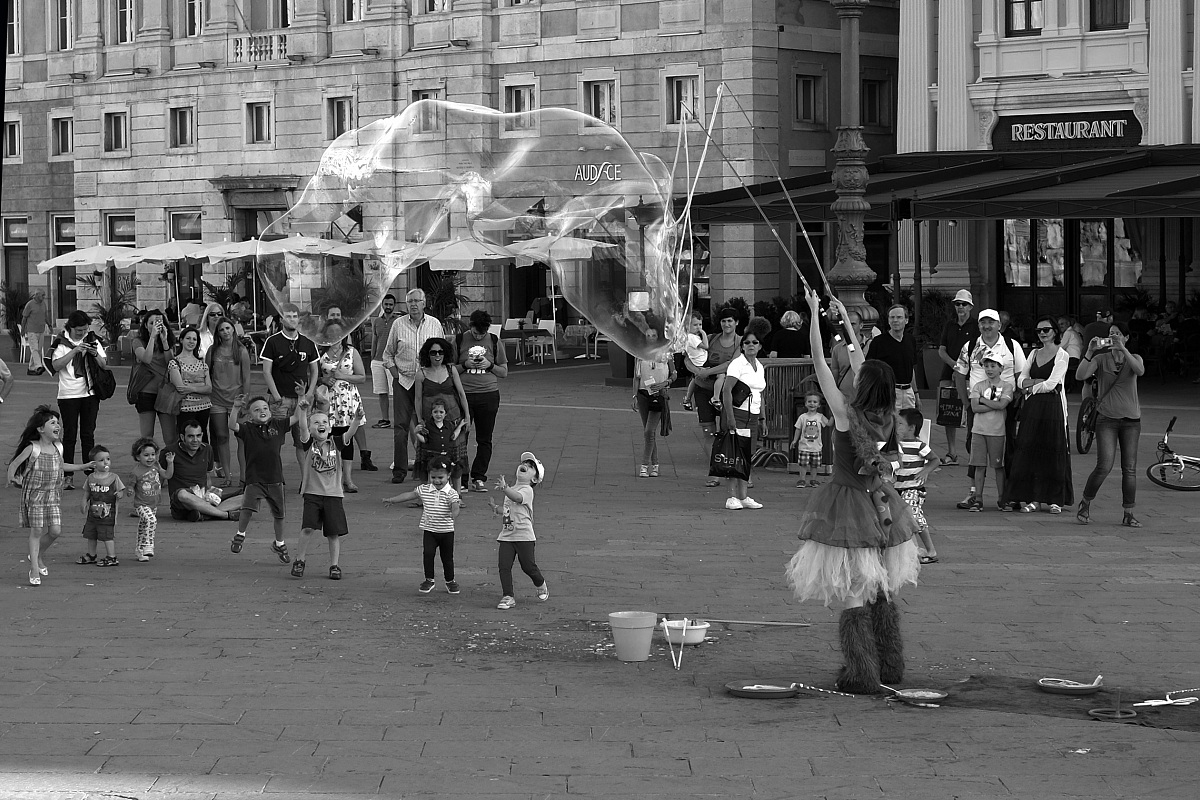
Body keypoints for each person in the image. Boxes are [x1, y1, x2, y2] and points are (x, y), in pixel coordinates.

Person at [785, 287, 920, 694]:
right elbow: (863, 364)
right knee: (880, 587)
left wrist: (813, 314)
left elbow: (819, 363)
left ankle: (861, 672)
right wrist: (844, 318)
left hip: (848, 506)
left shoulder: (845, 416)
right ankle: (890, 662)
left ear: (864, 386)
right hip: (882, 504)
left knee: (854, 592)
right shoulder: (887, 415)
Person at [8, 405, 96, 586]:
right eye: (52, 423)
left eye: (58, 423)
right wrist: (12, 478)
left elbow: (61, 466)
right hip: (35, 495)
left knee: (55, 531)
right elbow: (14, 464)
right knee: (37, 531)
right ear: (40, 429)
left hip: (53, 495)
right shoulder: (33, 448)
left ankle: (38, 554)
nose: (57, 426)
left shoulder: (58, 447)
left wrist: (82, 466)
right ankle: (34, 568)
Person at [953, 308, 1026, 511]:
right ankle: (974, 494)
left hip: (1007, 407)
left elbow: (1021, 374)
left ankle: (1009, 494)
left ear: (999, 325)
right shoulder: (970, 346)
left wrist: (1017, 399)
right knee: (974, 449)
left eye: (991, 322)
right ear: (978, 326)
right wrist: (966, 404)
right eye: (983, 323)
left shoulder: (1012, 345)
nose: (987, 326)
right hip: (976, 406)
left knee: (1007, 449)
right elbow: (959, 374)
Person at [1076, 322, 1145, 528]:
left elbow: (1139, 371)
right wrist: (1089, 351)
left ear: (1126, 337)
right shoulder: (1100, 358)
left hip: (1131, 420)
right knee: (1104, 465)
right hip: (1107, 419)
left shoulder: (1135, 358)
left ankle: (1128, 512)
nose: (1113, 337)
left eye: (1117, 334)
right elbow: (1080, 375)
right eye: (1110, 334)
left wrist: (1123, 349)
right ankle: (1085, 502)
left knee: (1130, 469)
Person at [1006, 317, 1073, 515]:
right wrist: (1035, 383)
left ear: (1054, 332)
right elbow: (1020, 380)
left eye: (1046, 329)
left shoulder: (1062, 355)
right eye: (1038, 330)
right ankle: (1033, 498)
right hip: (1032, 408)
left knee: (1053, 449)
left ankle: (1055, 499)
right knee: (1030, 449)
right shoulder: (1034, 353)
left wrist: (1031, 386)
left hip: (1053, 408)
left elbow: (1052, 384)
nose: (1042, 333)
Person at [290, 398, 361, 581]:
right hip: (312, 494)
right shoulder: (308, 444)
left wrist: (356, 420)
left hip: (333, 495)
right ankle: (300, 560)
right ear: (312, 429)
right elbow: (303, 429)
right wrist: (304, 412)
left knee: (333, 533)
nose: (321, 425)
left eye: (324, 422)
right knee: (307, 528)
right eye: (316, 422)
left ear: (329, 428)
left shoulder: (336, 443)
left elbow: (350, 433)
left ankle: (334, 565)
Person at [228, 394, 303, 562]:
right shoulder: (247, 429)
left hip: (275, 478)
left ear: (270, 411)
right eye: (256, 410)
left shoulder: (278, 424)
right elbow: (232, 425)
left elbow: (297, 417)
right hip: (254, 478)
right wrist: (235, 407)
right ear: (249, 415)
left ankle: (280, 542)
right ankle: (240, 534)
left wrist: (301, 397)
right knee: (247, 508)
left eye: (265, 408)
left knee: (279, 514)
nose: (261, 411)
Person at [383, 288, 445, 484]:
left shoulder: (434, 324)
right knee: (401, 426)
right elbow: (387, 354)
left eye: (417, 301)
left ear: (424, 303)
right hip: (403, 380)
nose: (414, 305)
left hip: (427, 381)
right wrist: (395, 375)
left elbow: (442, 351)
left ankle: (428, 467)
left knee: (428, 424)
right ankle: (399, 470)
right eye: (410, 301)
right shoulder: (398, 325)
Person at [384, 455, 463, 595]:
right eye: (433, 477)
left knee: (447, 558)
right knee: (428, 554)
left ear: (448, 476)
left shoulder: (451, 493)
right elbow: (409, 495)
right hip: (430, 530)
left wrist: (453, 514)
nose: (437, 481)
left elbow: (455, 506)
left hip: (446, 531)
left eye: (440, 478)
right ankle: (429, 579)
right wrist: (392, 500)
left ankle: (450, 581)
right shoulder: (424, 489)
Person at [49, 310, 107, 491]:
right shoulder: (61, 342)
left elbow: (104, 364)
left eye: (84, 329)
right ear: (70, 328)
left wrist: (94, 353)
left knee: (88, 434)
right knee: (70, 435)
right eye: (78, 330)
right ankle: (67, 475)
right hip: (68, 395)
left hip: (89, 394)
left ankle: (91, 474)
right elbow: (56, 365)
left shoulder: (91, 339)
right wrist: (74, 351)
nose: (82, 333)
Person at [259, 302, 320, 468]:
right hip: (280, 399)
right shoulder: (272, 342)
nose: (292, 320)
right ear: (281, 319)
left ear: (299, 319)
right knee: (275, 441)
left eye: (295, 316)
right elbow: (266, 371)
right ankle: (275, 477)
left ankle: (306, 480)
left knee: (303, 441)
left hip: (302, 400)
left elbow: (314, 370)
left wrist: (310, 392)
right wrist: (276, 395)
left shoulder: (308, 342)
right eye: (288, 316)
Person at [456, 309, 508, 493]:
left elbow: (504, 372)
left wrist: (490, 365)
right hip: (464, 395)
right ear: (470, 327)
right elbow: (450, 369)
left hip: (488, 394)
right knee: (461, 437)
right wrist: (465, 365)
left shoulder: (494, 341)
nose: (479, 337)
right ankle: (461, 478)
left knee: (485, 439)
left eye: (482, 333)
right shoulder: (460, 340)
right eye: (476, 333)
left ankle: (479, 477)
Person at [489, 451, 549, 610]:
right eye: (524, 464)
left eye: (530, 467)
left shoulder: (527, 490)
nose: (524, 466)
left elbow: (517, 498)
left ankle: (540, 583)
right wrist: (497, 509)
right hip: (507, 536)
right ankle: (508, 596)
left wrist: (505, 488)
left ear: (534, 479)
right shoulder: (513, 489)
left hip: (524, 537)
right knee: (504, 566)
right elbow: (510, 509)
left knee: (528, 566)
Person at [692, 307, 742, 488]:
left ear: (736, 322)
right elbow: (689, 356)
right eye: (723, 321)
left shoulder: (740, 342)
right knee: (708, 433)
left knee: (728, 432)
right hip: (704, 390)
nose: (726, 324)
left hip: (728, 392)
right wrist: (697, 372)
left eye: (730, 321)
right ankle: (715, 472)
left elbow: (732, 364)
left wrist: (708, 372)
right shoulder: (710, 339)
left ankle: (734, 470)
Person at [318, 320, 369, 492]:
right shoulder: (320, 353)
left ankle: (347, 478)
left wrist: (342, 376)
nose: (335, 337)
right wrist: (323, 379)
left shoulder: (351, 352)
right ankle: (333, 477)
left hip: (347, 399)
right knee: (330, 437)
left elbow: (362, 377)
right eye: (331, 333)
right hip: (328, 400)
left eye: (339, 333)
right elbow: (313, 376)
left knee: (347, 437)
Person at [720, 328, 767, 510]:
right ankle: (731, 496)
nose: (751, 346)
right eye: (747, 343)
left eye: (754, 342)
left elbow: (760, 393)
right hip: (738, 413)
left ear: (760, 346)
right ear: (742, 346)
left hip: (753, 415)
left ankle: (743, 495)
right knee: (734, 456)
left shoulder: (759, 366)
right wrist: (730, 417)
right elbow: (726, 390)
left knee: (746, 456)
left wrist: (762, 418)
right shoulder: (737, 364)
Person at [412, 336, 469, 484]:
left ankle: (457, 494)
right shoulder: (421, 373)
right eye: (433, 352)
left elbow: (462, 394)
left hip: (453, 418)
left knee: (456, 458)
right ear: (427, 354)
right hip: (431, 420)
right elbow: (418, 399)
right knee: (428, 456)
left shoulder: (451, 370)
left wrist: (467, 416)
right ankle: (427, 493)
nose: (437, 355)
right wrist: (419, 419)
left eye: (440, 352)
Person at [161, 420, 242, 522]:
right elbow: (160, 477)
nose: (195, 440)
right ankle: (224, 515)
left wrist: (211, 493)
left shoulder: (207, 449)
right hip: (183, 502)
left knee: (249, 496)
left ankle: (204, 513)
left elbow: (207, 476)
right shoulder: (169, 451)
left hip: (204, 498)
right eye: (191, 436)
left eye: (198, 436)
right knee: (182, 494)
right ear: (182, 437)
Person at [205, 318, 252, 487]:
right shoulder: (213, 351)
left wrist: (245, 400)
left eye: (227, 328)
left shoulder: (241, 351)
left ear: (233, 329)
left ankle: (245, 476)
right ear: (217, 333)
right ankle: (227, 475)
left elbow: (247, 377)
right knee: (222, 437)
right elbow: (206, 373)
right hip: (217, 399)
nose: (225, 332)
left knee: (241, 438)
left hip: (237, 400)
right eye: (221, 329)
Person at [967, 354, 1013, 512]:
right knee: (979, 465)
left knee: (999, 466)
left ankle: (1002, 498)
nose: (989, 369)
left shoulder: (1007, 386)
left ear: (1001, 368)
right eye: (986, 366)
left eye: (993, 366)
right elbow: (974, 407)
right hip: (979, 430)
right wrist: (995, 404)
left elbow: (1002, 405)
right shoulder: (978, 385)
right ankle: (978, 498)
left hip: (997, 431)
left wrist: (983, 400)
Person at [936, 290, 978, 465]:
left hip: (969, 374)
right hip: (949, 372)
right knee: (948, 412)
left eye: (964, 304)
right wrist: (954, 365)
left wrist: (962, 369)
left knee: (971, 411)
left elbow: (978, 351)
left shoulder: (976, 326)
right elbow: (941, 349)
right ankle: (952, 452)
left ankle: (974, 452)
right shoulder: (950, 325)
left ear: (970, 307)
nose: (960, 307)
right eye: (957, 304)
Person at [894, 407, 939, 564]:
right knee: (901, 519)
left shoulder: (919, 446)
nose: (896, 426)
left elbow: (935, 459)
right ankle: (912, 551)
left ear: (911, 428)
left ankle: (930, 550)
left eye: (900, 423)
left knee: (914, 516)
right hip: (897, 488)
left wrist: (925, 470)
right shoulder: (895, 444)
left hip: (913, 488)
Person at [132, 310, 177, 445]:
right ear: (145, 325)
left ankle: (169, 462)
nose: (155, 326)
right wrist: (152, 338)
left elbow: (171, 363)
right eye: (151, 323)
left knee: (170, 437)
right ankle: (148, 462)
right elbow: (146, 358)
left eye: (159, 323)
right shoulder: (138, 341)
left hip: (165, 392)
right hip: (146, 392)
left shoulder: (168, 341)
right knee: (147, 436)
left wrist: (164, 341)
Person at [77, 445, 126, 568]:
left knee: (107, 535)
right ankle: (91, 555)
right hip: (93, 514)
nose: (106, 462)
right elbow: (87, 492)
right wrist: (83, 502)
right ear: (94, 464)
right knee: (91, 534)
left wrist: (120, 494)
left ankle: (112, 556)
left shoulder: (114, 478)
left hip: (107, 514)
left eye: (108, 459)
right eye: (101, 460)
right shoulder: (91, 478)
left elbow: (121, 490)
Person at [632, 344, 675, 478]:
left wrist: (665, 383)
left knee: (649, 431)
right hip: (643, 395)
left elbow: (674, 374)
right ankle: (655, 464)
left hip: (659, 395)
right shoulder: (639, 354)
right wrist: (634, 395)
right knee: (648, 433)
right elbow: (636, 377)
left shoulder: (667, 354)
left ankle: (644, 465)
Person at [867, 304, 920, 411]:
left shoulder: (911, 340)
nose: (895, 320)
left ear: (906, 320)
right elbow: (869, 370)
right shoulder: (878, 342)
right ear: (888, 320)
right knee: (889, 426)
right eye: (892, 317)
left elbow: (911, 369)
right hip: (888, 392)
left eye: (899, 317)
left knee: (909, 425)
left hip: (908, 392)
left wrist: (916, 393)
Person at [128, 437, 173, 562]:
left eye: (153, 454)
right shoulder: (136, 472)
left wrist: (170, 463)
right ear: (138, 457)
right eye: (146, 455)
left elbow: (168, 475)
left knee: (143, 526)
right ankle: (148, 545)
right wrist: (130, 490)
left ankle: (140, 550)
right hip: (141, 504)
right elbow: (130, 486)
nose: (150, 458)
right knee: (151, 521)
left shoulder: (156, 466)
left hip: (153, 504)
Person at [169, 326, 213, 442]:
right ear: (181, 340)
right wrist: (200, 386)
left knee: (203, 437)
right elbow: (181, 388)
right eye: (188, 338)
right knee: (186, 437)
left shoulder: (202, 363)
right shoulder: (175, 363)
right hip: (185, 408)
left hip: (204, 407)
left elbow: (209, 388)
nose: (191, 342)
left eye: (194, 339)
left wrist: (190, 387)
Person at [414, 398, 466, 486]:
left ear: (445, 414)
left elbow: (453, 437)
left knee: (446, 476)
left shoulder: (448, 425)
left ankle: (448, 494)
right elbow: (424, 440)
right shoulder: (428, 426)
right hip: (432, 457)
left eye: (441, 412)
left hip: (446, 456)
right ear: (432, 413)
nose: (438, 414)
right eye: (435, 412)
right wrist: (416, 433)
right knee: (432, 476)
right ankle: (431, 493)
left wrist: (460, 426)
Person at [368, 294, 399, 429]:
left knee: (396, 392)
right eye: (386, 304)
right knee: (382, 392)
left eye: (390, 305)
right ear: (382, 305)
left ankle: (399, 419)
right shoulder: (377, 321)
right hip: (377, 361)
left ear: (394, 305)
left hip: (392, 361)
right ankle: (385, 420)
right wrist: (372, 358)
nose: (388, 307)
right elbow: (374, 340)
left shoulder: (398, 321)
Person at [792, 392, 829, 489]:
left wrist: (835, 414)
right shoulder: (802, 417)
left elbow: (829, 424)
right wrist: (794, 440)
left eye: (815, 402)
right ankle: (802, 480)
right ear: (805, 403)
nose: (812, 404)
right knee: (803, 464)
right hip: (804, 446)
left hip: (816, 447)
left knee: (814, 465)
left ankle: (813, 479)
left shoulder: (820, 417)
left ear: (819, 404)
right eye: (809, 401)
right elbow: (798, 429)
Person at [830, 308, 868, 397]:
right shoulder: (837, 349)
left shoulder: (871, 345)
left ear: (861, 325)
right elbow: (835, 372)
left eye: (853, 324)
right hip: (844, 397)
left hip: (866, 397)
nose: (849, 327)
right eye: (846, 324)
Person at [680, 311, 709, 411]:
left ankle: (687, 399)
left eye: (700, 324)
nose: (698, 327)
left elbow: (684, 352)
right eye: (695, 325)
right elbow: (706, 346)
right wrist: (704, 333)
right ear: (688, 325)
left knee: (695, 379)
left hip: (697, 362)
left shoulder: (689, 337)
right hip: (701, 363)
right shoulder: (692, 337)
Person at [21, 289, 49, 375]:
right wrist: (22, 329)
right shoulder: (30, 304)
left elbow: (45, 316)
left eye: (44, 295)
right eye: (42, 295)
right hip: (31, 330)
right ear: (36, 295)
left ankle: (31, 368)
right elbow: (24, 317)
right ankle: (38, 366)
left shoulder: (43, 304)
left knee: (38, 350)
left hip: (41, 330)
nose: (44, 297)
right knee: (35, 349)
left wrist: (50, 325)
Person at [1058, 315, 1084, 395]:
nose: (1060, 326)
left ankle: (1065, 388)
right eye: (1059, 324)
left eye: (1062, 324)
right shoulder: (1072, 332)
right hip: (1076, 357)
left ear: (1068, 323)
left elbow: (1061, 346)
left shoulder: (1068, 333)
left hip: (1073, 357)